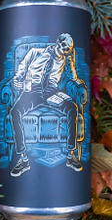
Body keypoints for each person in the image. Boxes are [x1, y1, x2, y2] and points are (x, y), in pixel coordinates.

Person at [7, 32, 87, 177]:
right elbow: (22, 67)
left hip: (51, 92)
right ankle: (23, 158)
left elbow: (73, 77)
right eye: (64, 46)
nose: (65, 50)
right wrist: (17, 80)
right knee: (15, 112)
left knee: (72, 109)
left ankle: (70, 155)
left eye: (68, 49)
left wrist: (69, 61)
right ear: (58, 42)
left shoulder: (65, 59)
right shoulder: (35, 52)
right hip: (33, 90)